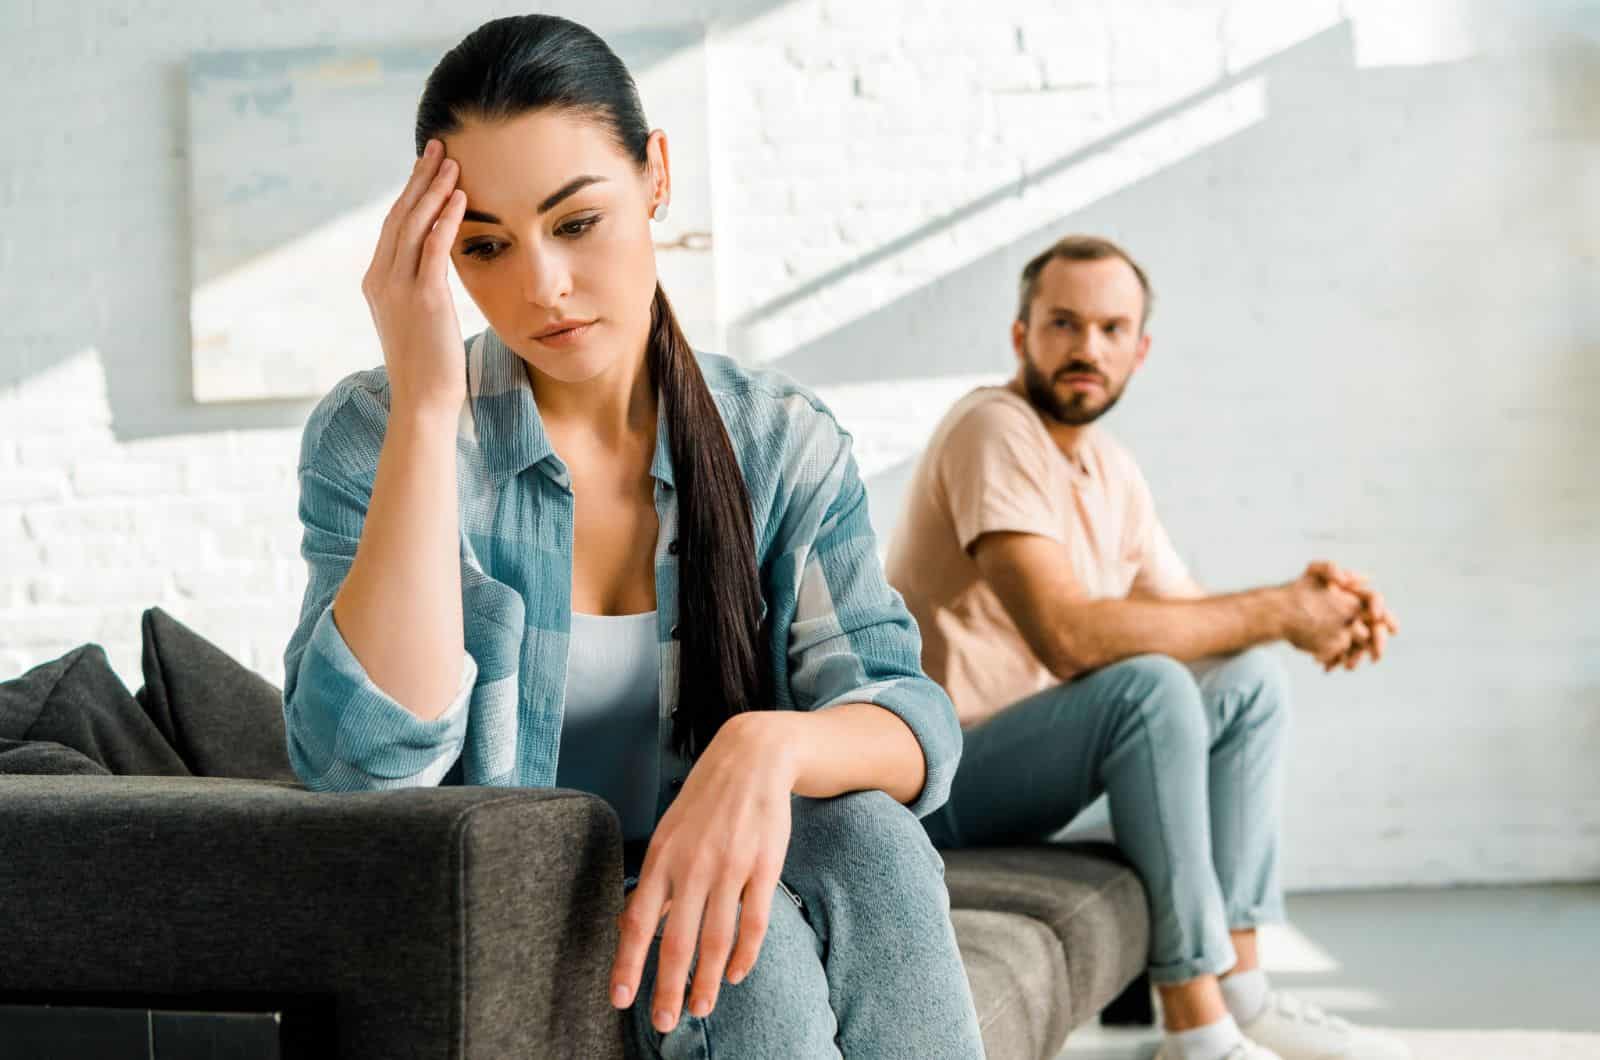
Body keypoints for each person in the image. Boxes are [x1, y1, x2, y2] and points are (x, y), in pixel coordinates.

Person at [279, 15, 985, 1059]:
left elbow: (906, 714)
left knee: (869, 838)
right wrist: (429, 399)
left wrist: (765, 741)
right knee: (754, 958)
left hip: (719, 883)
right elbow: (359, 770)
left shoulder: (776, 440)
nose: (542, 286)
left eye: (576, 222)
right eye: (484, 245)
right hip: (511, 915)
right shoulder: (378, 432)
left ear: (655, 175)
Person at [883, 234, 1409, 1060]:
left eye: (1110, 329)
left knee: (1247, 681)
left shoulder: (1109, 468)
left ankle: (1242, 991)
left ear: (1140, 349)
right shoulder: (994, 429)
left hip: (1030, 764)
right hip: (939, 778)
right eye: (1063, 323)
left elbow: (1201, 629)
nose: (1087, 348)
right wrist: (1283, 607)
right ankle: (1197, 1031)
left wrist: (1321, 615)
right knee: (1148, 689)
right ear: (1021, 336)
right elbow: (1068, 637)